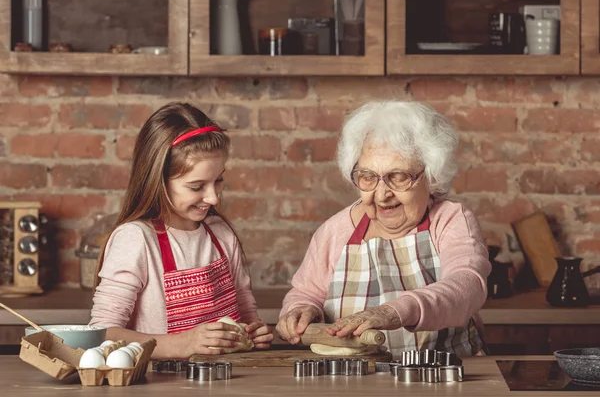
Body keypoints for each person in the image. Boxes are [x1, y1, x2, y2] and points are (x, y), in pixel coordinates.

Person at [276, 100, 490, 357]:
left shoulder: (451, 220)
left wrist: (393, 312)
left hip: (445, 374)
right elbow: (306, 292)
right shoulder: (334, 232)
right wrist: (300, 309)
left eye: (398, 177)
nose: (382, 194)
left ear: (431, 176)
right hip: (355, 381)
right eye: (368, 177)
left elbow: (467, 286)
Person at [90, 102, 273, 359]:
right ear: (158, 181)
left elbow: (245, 312)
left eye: (218, 180)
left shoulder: (220, 234)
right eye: (197, 187)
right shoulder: (136, 239)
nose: (213, 199)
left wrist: (255, 331)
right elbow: (101, 334)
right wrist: (183, 344)